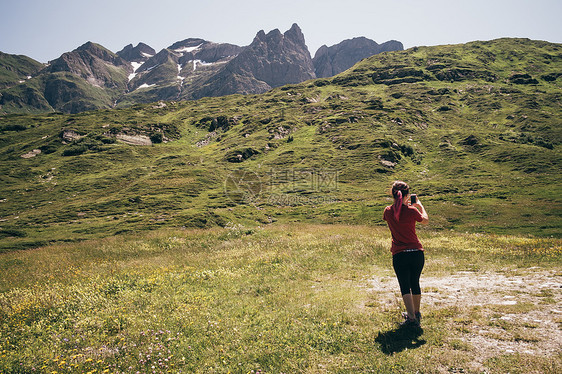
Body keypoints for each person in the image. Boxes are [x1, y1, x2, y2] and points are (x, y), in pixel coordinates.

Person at [383, 181, 429, 327]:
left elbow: (395, 215)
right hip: (416, 253)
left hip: (399, 254)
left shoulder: (388, 211)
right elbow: (425, 221)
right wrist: (419, 206)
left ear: (392, 194)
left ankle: (410, 318)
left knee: (404, 285)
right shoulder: (412, 211)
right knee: (415, 283)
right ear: (407, 195)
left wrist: (403, 204)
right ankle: (416, 312)